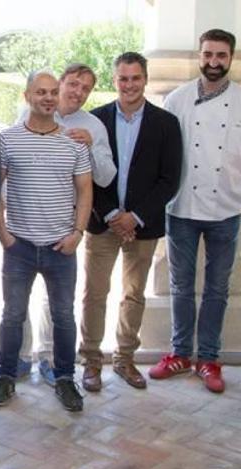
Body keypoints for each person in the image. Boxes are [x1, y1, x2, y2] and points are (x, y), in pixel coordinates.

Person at [0, 71, 92, 412]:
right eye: (40, 92)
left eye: (52, 92)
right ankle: (5, 376)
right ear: (27, 96)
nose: (48, 97)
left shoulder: (74, 141)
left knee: (63, 315)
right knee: (12, 315)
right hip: (20, 248)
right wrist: (2, 232)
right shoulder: (8, 139)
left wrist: (77, 233)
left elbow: (85, 190)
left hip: (61, 247)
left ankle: (64, 378)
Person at [79, 52, 181, 392]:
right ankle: (91, 361)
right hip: (102, 222)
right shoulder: (96, 120)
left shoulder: (166, 124)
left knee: (133, 295)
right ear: (115, 81)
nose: (129, 85)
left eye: (135, 78)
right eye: (123, 78)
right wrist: (111, 214)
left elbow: (169, 179)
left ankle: (124, 359)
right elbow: (87, 176)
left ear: (145, 79)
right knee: (95, 293)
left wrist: (134, 217)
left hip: (143, 225)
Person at [152, 29, 241, 394]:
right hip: (182, 208)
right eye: (208, 54)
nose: (214, 62)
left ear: (231, 58)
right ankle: (179, 354)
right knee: (181, 286)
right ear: (199, 56)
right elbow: (163, 153)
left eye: (221, 55)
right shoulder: (177, 98)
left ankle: (208, 357)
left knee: (217, 288)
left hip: (228, 206)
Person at [16, 63, 117, 383]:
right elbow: (9, 163)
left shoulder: (94, 126)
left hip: (64, 220)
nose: (77, 92)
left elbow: (105, 177)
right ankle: (19, 356)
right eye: (73, 83)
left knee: (56, 298)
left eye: (85, 88)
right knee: (18, 295)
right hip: (26, 217)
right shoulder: (27, 113)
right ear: (60, 83)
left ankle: (48, 357)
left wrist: (90, 147)